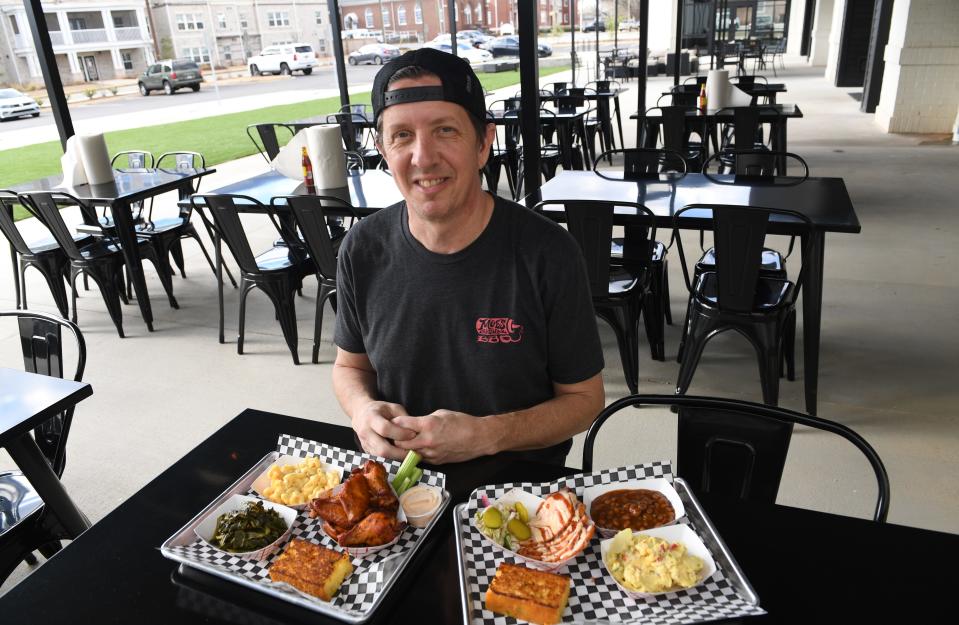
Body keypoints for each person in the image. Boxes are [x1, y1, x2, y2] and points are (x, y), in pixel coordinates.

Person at [332, 48, 605, 466]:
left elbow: (585, 400)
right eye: (401, 135)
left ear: (483, 143)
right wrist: (362, 411)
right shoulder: (362, 248)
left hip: (521, 498)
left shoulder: (548, 252)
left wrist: (485, 435)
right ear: (384, 151)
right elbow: (350, 368)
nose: (422, 157)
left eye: (445, 130)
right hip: (399, 493)